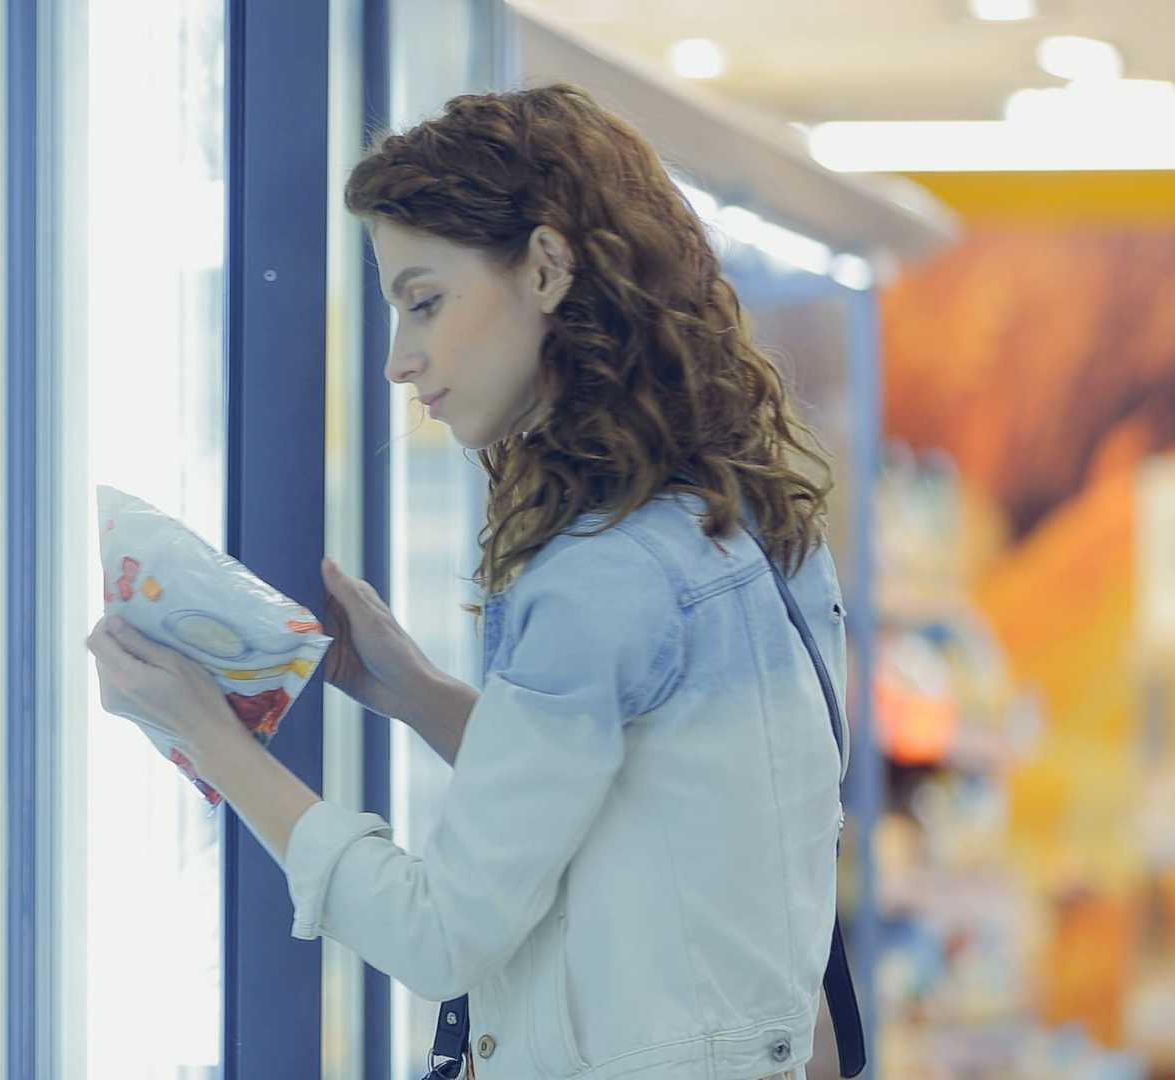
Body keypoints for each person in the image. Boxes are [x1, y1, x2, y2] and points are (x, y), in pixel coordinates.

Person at [86, 83, 855, 1080]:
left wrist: (207, 735)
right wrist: (423, 698)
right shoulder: (744, 519)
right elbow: (654, 806)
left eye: (426, 300)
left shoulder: (600, 572)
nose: (403, 359)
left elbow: (440, 933)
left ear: (545, 268)